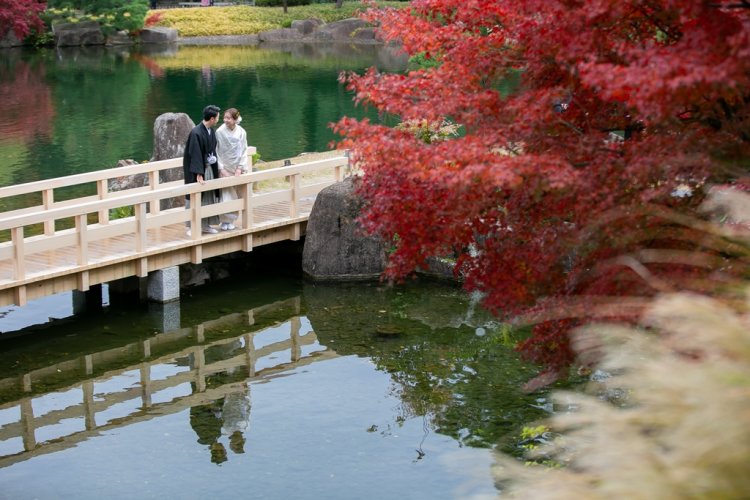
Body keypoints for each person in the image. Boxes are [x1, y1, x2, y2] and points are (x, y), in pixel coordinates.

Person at [183, 104, 221, 235]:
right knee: (195, 197)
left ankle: (205, 224)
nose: (218, 120)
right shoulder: (196, 132)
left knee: (209, 196)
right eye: (217, 118)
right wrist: (199, 173)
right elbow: (195, 154)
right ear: (211, 118)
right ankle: (191, 226)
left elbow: (212, 149)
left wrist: (213, 161)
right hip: (198, 170)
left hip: (209, 168)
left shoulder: (211, 131)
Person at [215, 107, 249, 231]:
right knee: (225, 194)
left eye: (228, 118)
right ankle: (224, 221)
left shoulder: (241, 132)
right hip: (225, 167)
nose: (225, 120)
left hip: (237, 168)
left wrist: (240, 168)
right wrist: (221, 169)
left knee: (237, 194)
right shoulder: (219, 132)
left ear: (235, 119)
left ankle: (232, 219)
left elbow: (244, 150)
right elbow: (216, 152)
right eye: (224, 118)